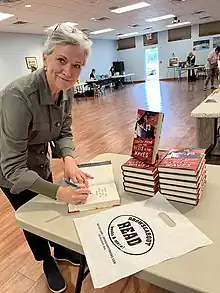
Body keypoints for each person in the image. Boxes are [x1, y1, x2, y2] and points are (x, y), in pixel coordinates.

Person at [0, 23, 93, 293]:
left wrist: (69, 160)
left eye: (77, 65)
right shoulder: (18, 97)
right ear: (45, 58)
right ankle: (46, 260)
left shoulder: (67, 89)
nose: (68, 72)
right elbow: (14, 168)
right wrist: (58, 192)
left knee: (51, 210)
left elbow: (63, 130)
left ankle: (62, 249)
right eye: (61, 61)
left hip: (39, 163)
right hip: (9, 171)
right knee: (32, 217)